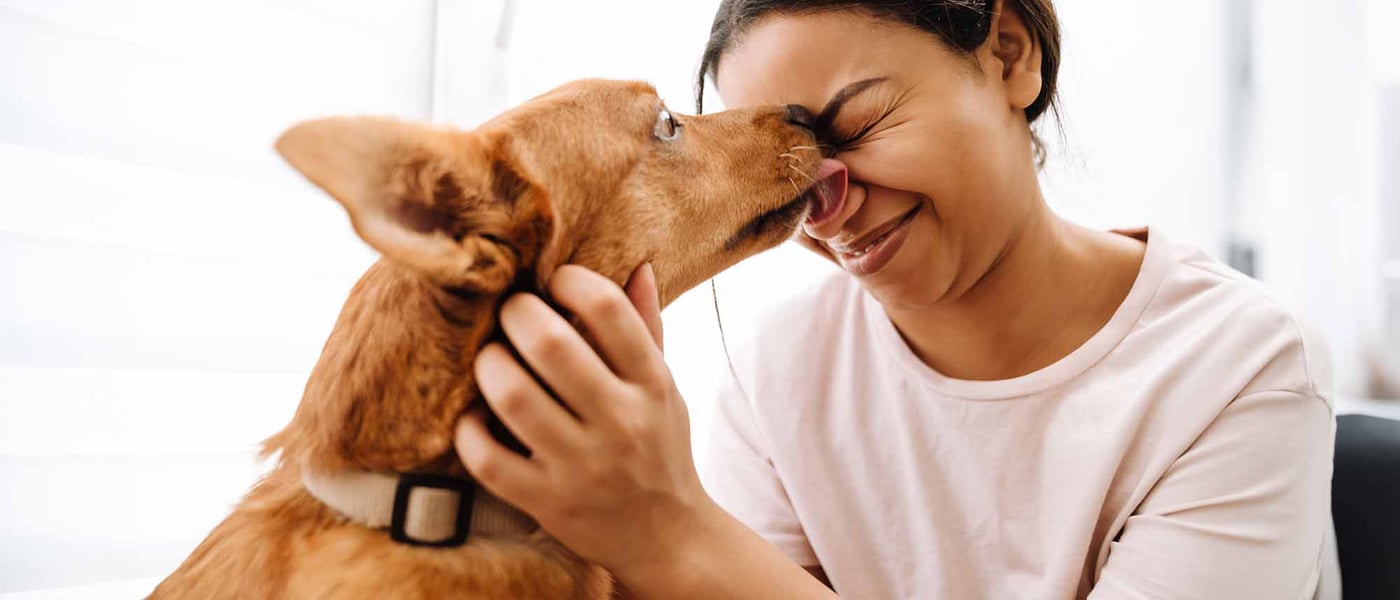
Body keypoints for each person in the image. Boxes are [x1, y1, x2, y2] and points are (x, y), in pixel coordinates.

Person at [453, 1, 1339, 598]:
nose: (825, 209)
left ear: (1009, 55)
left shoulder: (1241, 370)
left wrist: (670, 527)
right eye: (789, 178)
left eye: (861, 124)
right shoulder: (778, 371)